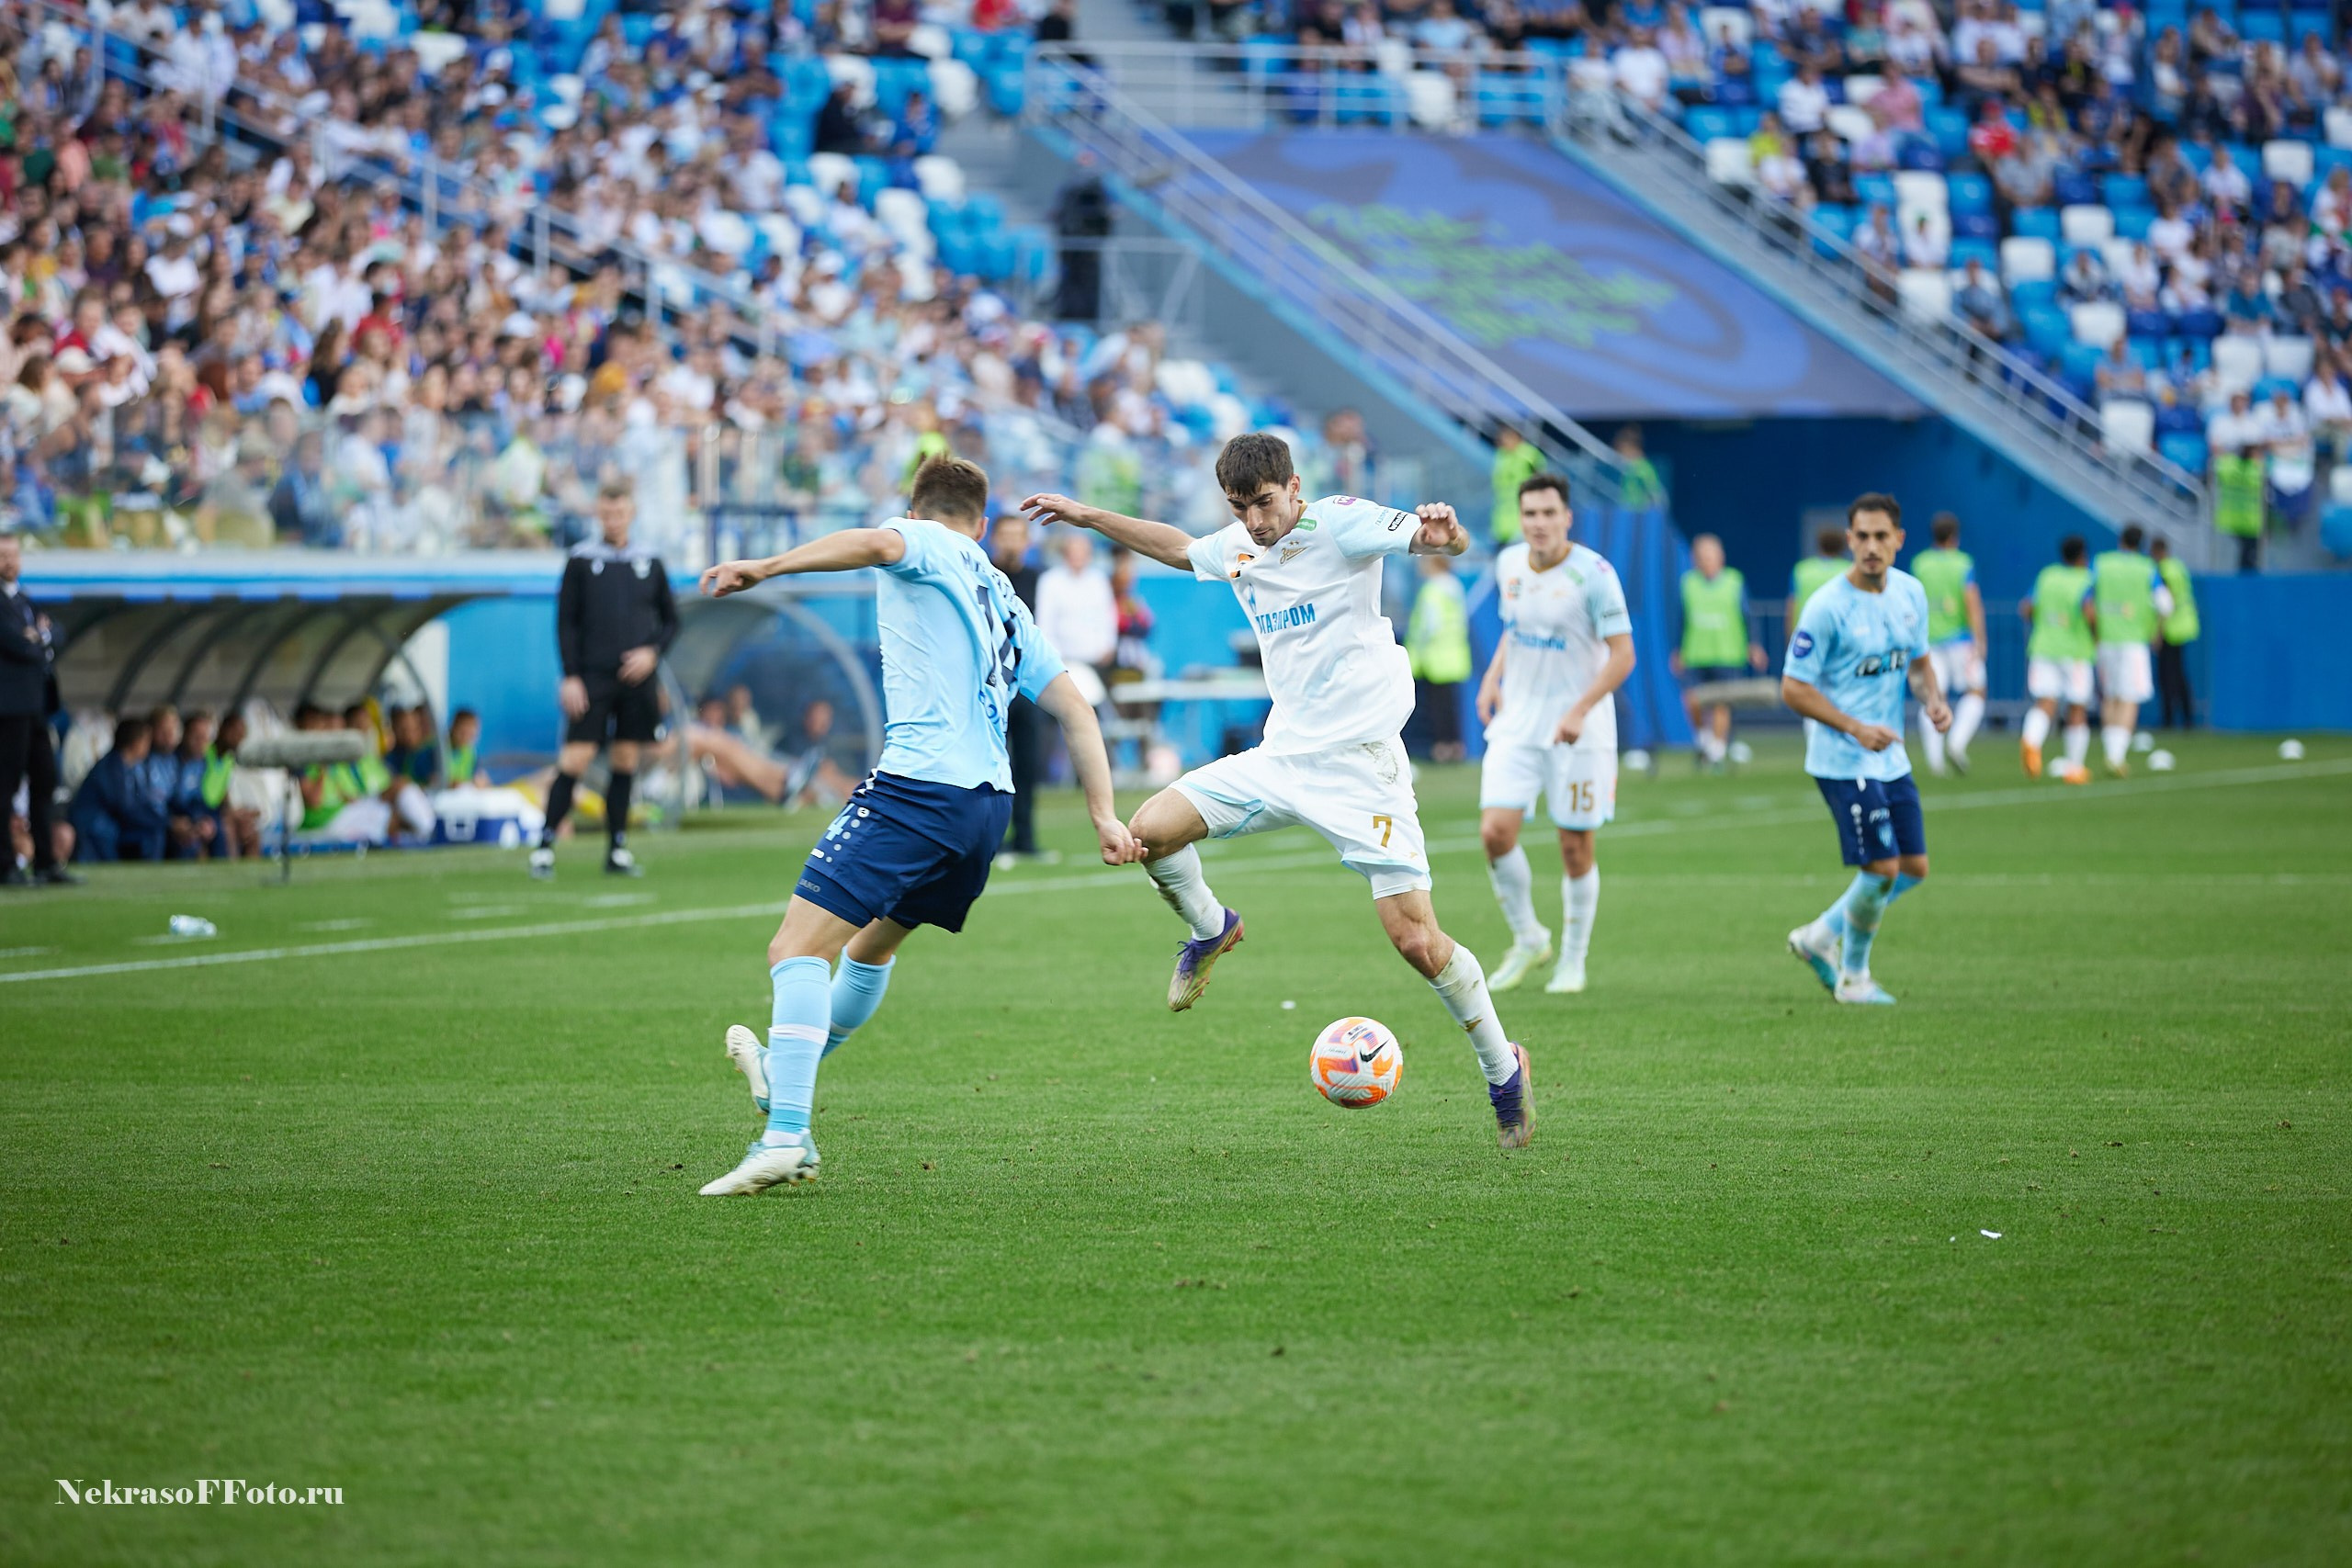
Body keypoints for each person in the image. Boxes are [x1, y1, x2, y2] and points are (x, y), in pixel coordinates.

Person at [1022, 433, 1537, 1151]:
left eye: (1264, 503)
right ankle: (1211, 927)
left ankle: (1501, 1067)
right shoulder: (1239, 547)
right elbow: (1177, 546)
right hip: (1282, 758)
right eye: (1240, 508)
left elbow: (1434, 537)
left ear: (1294, 487)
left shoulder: (1341, 520)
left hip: (1362, 767)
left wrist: (1446, 534)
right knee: (1152, 830)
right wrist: (1085, 514)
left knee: (1416, 939)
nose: (1256, 521)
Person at [692, 456, 1134, 1196]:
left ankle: (787, 1134)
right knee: (868, 950)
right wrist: (1104, 816)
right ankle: (781, 1069)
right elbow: (1076, 710)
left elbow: (875, 544)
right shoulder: (1004, 595)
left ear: (918, 509)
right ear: (985, 524)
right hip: (986, 808)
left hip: (921, 787)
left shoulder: (924, 540)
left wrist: (765, 567)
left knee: (794, 948)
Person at [1781, 493, 1949, 1006]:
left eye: (1882, 536)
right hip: (1842, 758)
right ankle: (1854, 978)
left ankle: (1816, 938)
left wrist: (1935, 701)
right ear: (1849, 540)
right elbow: (1793, 687)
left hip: (1889, 755)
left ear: (1899, 540)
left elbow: (1918, 663)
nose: (1872, 547)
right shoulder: (1828, 606)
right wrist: (1855, 728)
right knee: (1882, 869)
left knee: (1913, 867)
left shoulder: (1911, 594)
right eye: (1863, 537)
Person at [1473, 472, 1635, 997]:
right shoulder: (1508, 563)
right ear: (1520, 520)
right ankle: (1528, 938)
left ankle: (1573, 960)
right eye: (1530, 514)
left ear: (1567, 517)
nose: (1539, 524)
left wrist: (1580, 709)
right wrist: (1493, 677)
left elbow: (1623, 655)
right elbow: (1514, 629)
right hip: (1518, 719)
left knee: (1574, 846)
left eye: (1549, 513)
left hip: (1580, 731)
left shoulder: (1595, 575)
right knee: (1495, 833)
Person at [532, 479, 678, 879]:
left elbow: (670, 621)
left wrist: (651, 653)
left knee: (625, 760)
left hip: (636, 682)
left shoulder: (650, 560)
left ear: (632, 513)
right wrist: (571, 677)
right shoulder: (581, 560)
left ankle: (616, 848)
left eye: (620, 512)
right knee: (575, 758)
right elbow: (566, 623)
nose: (613, 519)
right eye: (607, 512)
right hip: (592, 679)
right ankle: (544, 846)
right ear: (599, 513)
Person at [0, 530, 74, 886]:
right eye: (3, 555)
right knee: (5, 785)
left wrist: (41, 637)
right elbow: (17, 644)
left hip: (36, 708)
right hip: (8, 710)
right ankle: (5, 865)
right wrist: (37, 640)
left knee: (44, 781)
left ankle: (46, 861)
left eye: (13, 554)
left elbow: (56, 633)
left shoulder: (24, 600)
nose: (9, 562)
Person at [988, 508, 1049, 861]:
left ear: (1027, 542)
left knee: (1028, 763)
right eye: (1005, 535)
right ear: (993, 538)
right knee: (993, 763)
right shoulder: (983, 577)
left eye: (1017, 535)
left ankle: (1026, 837)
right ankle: (992, 840)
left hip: (1028, 682)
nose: (1011, 542)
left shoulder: (1039, 580)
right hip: (993, 681)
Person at [1674, 534, 1765, 770]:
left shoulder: (1734, 581)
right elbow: (1681, 619)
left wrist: (1753, 645)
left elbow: (1747, 616)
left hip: (1727, 653)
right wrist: (1678, 650)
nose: (1706, 561)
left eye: (1710, 556)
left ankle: (1716, 751)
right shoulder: (1688, 583)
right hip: (1696, 653)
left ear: (1720, 557)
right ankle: (1704, 741)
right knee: (1692, 702)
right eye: (1702, 556)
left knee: (1721, 704)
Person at [1909, 512, 1988, 775]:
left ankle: (1935, 761)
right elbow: (1971, 601)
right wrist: (1980, 638)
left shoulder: (1920, 563)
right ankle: (1957, 742)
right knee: (1976, 690)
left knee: (1932, 696)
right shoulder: (1962, 563)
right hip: (1959, 640)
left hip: (1927, 641)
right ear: (1954, 536)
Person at [2091, 523, 2171, 776]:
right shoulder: (2147, 568)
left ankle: (2110, 752)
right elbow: (2166, 604)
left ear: (2120, 540)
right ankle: (2116, 756)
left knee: (2111, 696)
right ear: (2141, 544)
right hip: (2133, 642)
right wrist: (2156, 630)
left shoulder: (2101, 563)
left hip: (2105, 639)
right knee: (2129, 698)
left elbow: (2087, 597)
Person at [2019, 536, 2098, 781]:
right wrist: (2096, 635)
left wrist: (2043, 624)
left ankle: (2031, 741)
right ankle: (2074, 768)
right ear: (2083, 555)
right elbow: (2089, 612)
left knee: (2045, 703)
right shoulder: (2086, 579)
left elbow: (2026, 608)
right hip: (2075, 651)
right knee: (2077, 708)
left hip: (2043, 647)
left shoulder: (2047, 576)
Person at [70, 716, 171, 862]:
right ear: (136, 742)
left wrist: (166, 821)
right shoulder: (111, 767)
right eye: (146, 740)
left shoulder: (130, 767)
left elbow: (137, 804)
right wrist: (166, 823)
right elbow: (124, 807)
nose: (148, 746)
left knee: (155, 832)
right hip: (94, 826)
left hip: (111, 825)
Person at [1407, 553, 1472, 763]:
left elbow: (1428, 625)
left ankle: (1442, 749)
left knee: (1438, 708)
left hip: (1435, 659)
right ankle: (1455, 746)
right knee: (1450, 707)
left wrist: (1418, 648)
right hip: (1455, 656)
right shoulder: (1455, 587)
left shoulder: (1432, 590)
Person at [1035, 530, 1118, 679]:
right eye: (1073, 551)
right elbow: (1045, 622)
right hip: (1064, 663)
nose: (1077, 556)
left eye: (1082, 551)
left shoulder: (1098, 580)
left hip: (1098, 661)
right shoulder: (1050, 581)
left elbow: (1108, 616)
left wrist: (1108, 646)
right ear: (1065, 553)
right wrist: (1056, 658)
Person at [2151, 536, 2199, 729]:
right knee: (2179, 673)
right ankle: (2187, 717)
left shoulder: (2163, 571)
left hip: (2172, 626)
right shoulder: (2178, 566)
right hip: (2185, 623)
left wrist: (2157, 632)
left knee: (2167, 675)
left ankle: (2169, 719)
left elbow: (2165, 603)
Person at [1489, 425, 1544, 546]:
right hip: (1501, 520)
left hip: (1521, 517)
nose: (1506, 441)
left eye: (1509, 437)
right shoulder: (1501, 456)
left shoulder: (1529, 454)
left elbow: (1540, 478)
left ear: (1518, 438)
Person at [1789, 526, 1849, 626]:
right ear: (1842, 546)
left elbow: (1791, 605)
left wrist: (1790, 638)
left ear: (1819, 546)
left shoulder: (1801, 570)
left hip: (1806, 631)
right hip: (1840, 631)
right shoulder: (1849, 569)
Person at [445, 708, 490, 786]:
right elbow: (439, 782)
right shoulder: (438, 750)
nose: (466, 737)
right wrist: (469, 783)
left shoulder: (471, 753)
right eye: (463, 732)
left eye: (471, 733)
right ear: (453, 727)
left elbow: (477, 778)